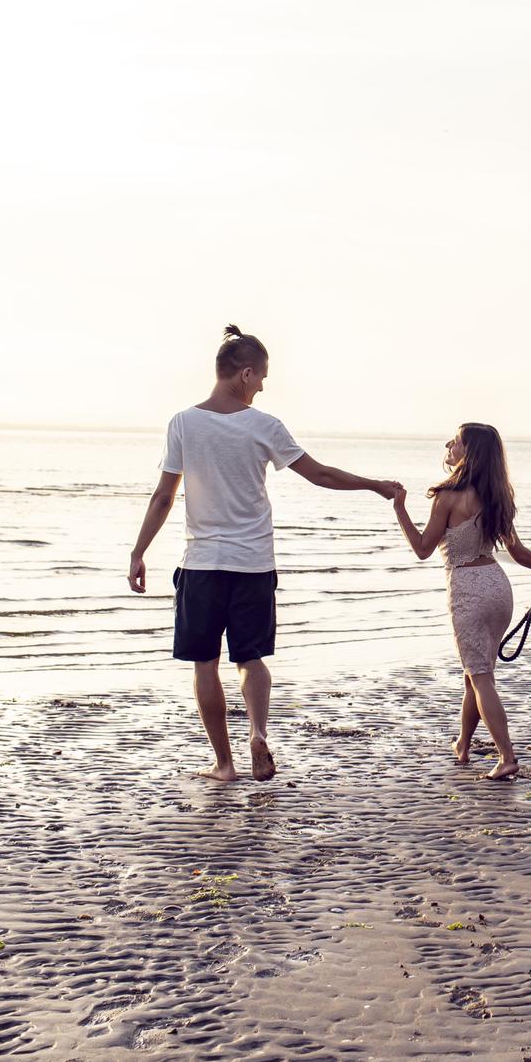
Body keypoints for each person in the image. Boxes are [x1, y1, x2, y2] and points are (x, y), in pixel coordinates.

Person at [129, 324, 402, 783]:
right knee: (251, 659)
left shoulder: (183, 423)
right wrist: (374, 485)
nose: (262, 387)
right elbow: (320, 476)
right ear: (245, 372)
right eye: (261, 378)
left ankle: (224, 764)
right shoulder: (264, 426)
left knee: (205, 665)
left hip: (202, 565)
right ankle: (257, 731)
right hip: (253, 565)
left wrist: (139, 551)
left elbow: (163, 497)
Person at [390, 423, 531, 781]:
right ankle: (464, 745)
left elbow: (423, 549)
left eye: (456, 441)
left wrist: (400, 508)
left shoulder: (448, 496)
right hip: (498, 587)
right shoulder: (498, 495)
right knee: (476, 674)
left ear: (469, 453)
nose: (449, 444)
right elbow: (516, 550)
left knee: (481, 676)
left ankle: (507, 756)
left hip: (468, 587)